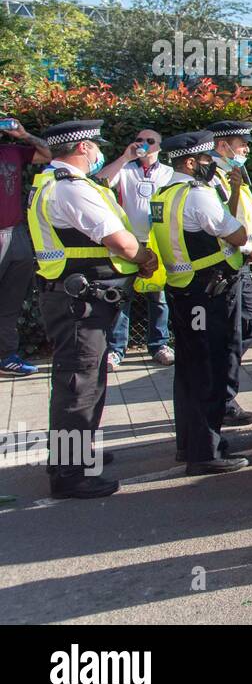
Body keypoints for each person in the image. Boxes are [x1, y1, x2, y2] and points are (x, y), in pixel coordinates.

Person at [28, 120, 159, 498]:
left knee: (83, 377)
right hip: (80, 302)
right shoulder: (71, 189)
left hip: (76, 298)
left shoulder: (51, 182)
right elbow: (119, 241)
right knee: (79, 384)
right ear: (83, 147)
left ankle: (76, 453)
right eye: (95, 146)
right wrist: (147, 260)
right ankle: (70, 475)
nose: (98, 151)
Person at [150, 131, 251, 476]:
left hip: (184, 292)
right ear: (191, 162)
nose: (212, 166)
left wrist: (234, 192)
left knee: (190, 372)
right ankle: (206, 451)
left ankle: (189, 445)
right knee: (210, 370)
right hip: (210, 294)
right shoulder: (198, 195)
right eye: (208, 160)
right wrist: (231, 200)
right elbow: (236, 234)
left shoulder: (165, 195)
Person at [98, 127, 174, 369]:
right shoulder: (126, 169)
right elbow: (99, 182)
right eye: (139, 139)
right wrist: (124, 157)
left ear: (160, 146)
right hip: (128, 243)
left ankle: (159, 345)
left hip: (158, 242)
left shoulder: (169, 172)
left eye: (150, 141)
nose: (143, 143)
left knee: (158, 297)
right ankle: (116, 349)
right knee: (122, 298)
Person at [206, 121, 252, 426]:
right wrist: (245, 249)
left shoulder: (233, 173)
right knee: (237, 330)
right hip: (230, 261)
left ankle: (221, 391)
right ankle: (221, 395)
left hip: (240, 261)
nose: (246, 149)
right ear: (223, 144)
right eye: (242, 144)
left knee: (250, 323)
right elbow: (220, 220)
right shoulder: (213, 175)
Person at [0, 117, 49, 376]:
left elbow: (50, 154)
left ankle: (6, 357)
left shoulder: (12, 152)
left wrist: (24, 135)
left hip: (15, 234)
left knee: (10, 303)